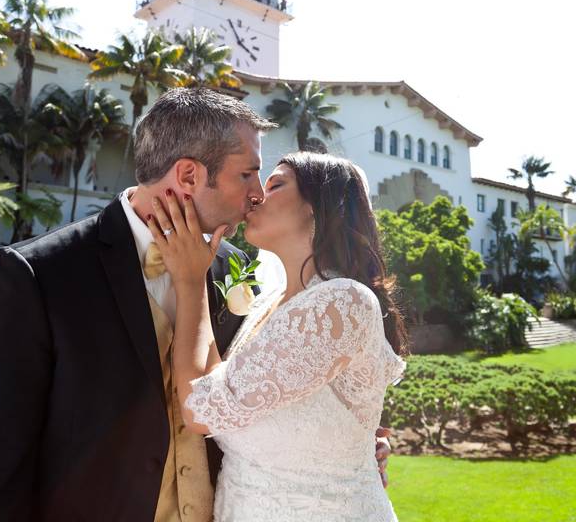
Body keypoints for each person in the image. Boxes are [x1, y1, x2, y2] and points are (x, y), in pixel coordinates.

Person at [0, 89, 392, 521]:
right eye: (247, 174)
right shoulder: (38, 275)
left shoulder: (242, 272)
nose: (256, 192)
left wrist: (344, 445)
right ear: (189, 175)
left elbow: (274, 391)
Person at [147, 151, 407, 521]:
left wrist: (191, 281)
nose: (255, 196)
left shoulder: (341, 302)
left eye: (275, 184)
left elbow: (202, 409)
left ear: (316, 206)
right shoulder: (266, 304)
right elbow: (222, 384)